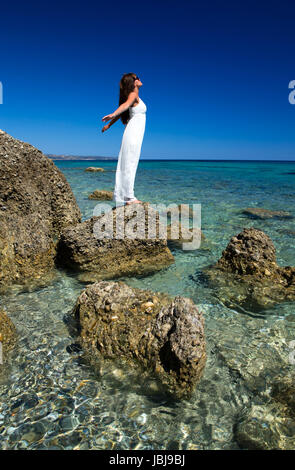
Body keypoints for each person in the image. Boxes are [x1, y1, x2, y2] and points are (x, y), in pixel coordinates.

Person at [102, 73, 147, 205]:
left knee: (130, 162)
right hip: (133, 133)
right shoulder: (133, 95)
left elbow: (123, 109)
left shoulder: (135, 96)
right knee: (129, 163)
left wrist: (109, 124)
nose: (139, 79)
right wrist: (113, 115)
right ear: (133, 82)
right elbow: (124, 106)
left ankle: (126, 196)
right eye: (137, 78)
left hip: (135, 132)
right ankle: (129, 197)